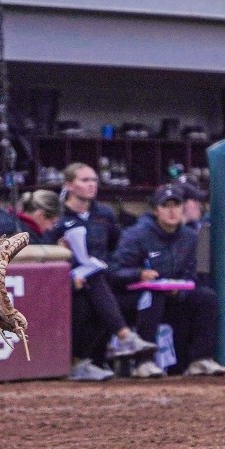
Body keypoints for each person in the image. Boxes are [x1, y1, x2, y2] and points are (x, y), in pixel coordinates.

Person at [110, 183, 225, 378]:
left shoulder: (190, 237)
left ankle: (200, 359)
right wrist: (139, 274)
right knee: (152, 295)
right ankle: (143, 362)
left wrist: (179, 290)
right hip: (134, 298)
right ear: (156, 210)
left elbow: (191, 274)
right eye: (166, 206)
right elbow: (114, 271)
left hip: (172, 296)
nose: (172, 211)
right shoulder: (136, 235)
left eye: (176, 205)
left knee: (206, 297)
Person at [56, 164, 153, 382]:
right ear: (69, 185)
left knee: (101, 283)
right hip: (71, 281)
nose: (91, 185)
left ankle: (88, 360)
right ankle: (124, 336)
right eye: (84, 180)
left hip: (101, 277)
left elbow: (115, 246)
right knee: (90, 297)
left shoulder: (104, 214)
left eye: (94, 180)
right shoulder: (60, 217)